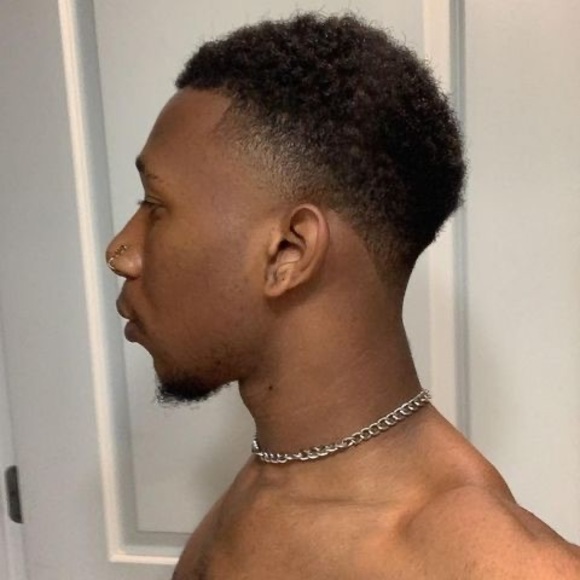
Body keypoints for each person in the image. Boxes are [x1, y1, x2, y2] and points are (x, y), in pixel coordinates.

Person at [106, 13, 580, 580]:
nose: (121, 252)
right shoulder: (262, 487)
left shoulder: (498, 565)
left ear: (289, 251)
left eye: (155, 206)